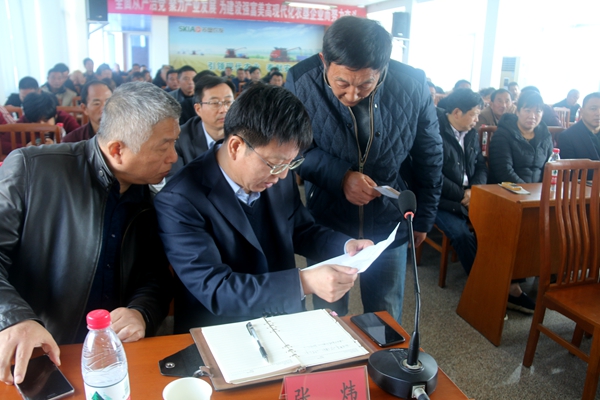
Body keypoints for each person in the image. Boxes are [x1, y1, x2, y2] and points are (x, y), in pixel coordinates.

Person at [154, 84, 373, 331]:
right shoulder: (180, 199)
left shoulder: (276, 172)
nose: (282, 176)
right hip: (221, 330)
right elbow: (215, 288)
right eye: (275, 164)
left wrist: (345, 246)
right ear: (236, 146)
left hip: (281, 318)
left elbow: (300, 229)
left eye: (290, 164)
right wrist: (303, 282)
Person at [0, 82, 177, 385]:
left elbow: (155, 277)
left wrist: (140, 312)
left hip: (113, 355)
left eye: (175, 143)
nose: (173, 157)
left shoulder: (151, 199)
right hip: (37, 348)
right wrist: (15, 318)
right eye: (164, 147)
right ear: (117, 150)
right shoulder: (33, 170)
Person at [285, 16, 443, 322]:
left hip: (387, 223)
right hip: (327, 222)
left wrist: (423, 218)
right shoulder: (302, 79)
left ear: (383, 68)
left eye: (365, 84)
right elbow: (291, 148)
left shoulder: (412, 83)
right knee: (328, 313)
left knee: (385, 314)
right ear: (324, 61)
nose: (353, 94)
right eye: (342, 83)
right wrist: (340, 177)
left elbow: (430, 155)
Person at [488, 90, 553, 314]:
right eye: (528, 110)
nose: (533, 116)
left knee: (556, 222)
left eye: (538, 111)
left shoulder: (544, 135)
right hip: (506, 195)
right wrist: (529, 194)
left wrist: (542, 193)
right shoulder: (504, 134)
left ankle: (549, 274)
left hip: (536, 196)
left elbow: (549, 167)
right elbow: (503, 171)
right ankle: (512, 288)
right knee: (523, 226)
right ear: (518, 110)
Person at [435, 89, 487, 276]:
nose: (477, 120)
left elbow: (481, 166)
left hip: (471, 194)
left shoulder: (471, 133)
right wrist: (462, 195)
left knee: (500, 223)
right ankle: (479, 281)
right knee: (462, 234)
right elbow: (433, 175)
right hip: (442, 199)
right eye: (474, 114)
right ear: (457, 112)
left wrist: (474, 190)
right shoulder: (434, 132)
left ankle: (504, 278)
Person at [171, 76, 235, 176]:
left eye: (228, 102)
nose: (224, 109)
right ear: (198, 109)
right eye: (215, 103)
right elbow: (175, 181)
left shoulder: (246, 134)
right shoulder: (180, 140)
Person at [558, 92, 600, 168]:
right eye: (593, 109)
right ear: (582, 111)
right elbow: (568, 171)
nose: (598, 113)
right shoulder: (567, 136)